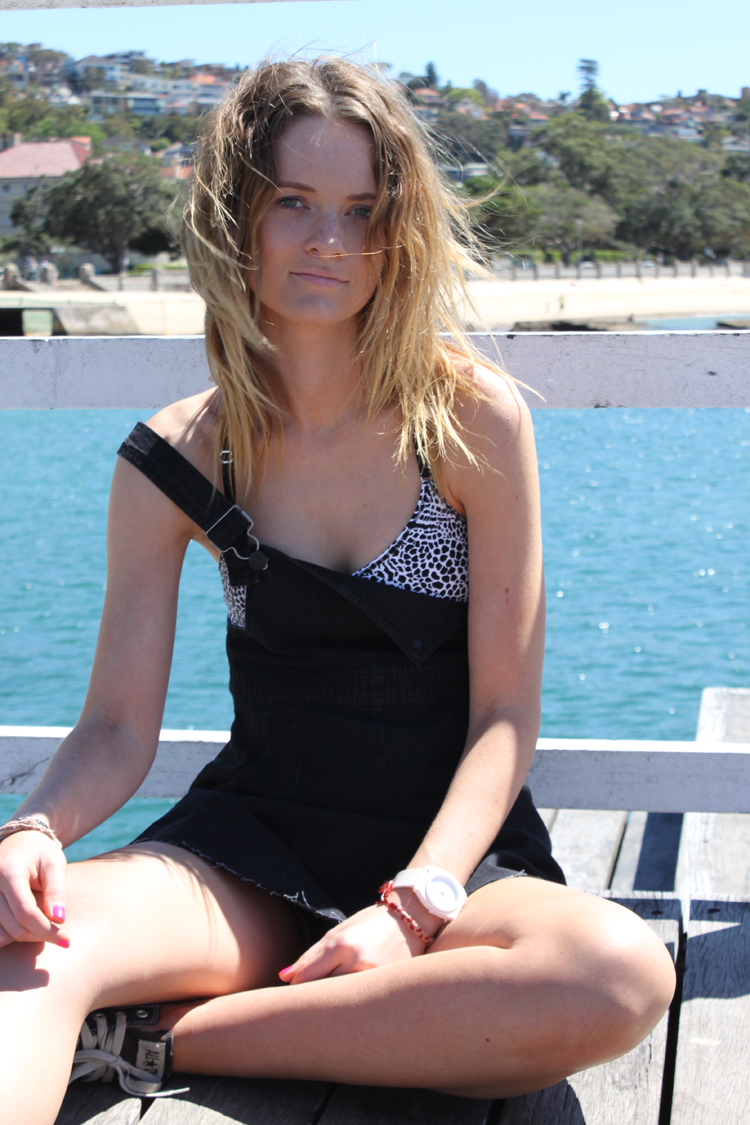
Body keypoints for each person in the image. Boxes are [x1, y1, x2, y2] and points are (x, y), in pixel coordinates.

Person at [0, 58, 675, 1124]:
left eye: (362, 210)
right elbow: (118, 728)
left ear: (396, 230)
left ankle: (168, 1036)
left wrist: (413, 909)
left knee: (618, 975)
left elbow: (504, 718)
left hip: (453, 865)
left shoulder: (469, 421)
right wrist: (33, 831)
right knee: (28, 951)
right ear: (235, 217)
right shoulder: (178, 459)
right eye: (294, 204)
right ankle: (244, 1015)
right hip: (253, 848)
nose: (330, 240)